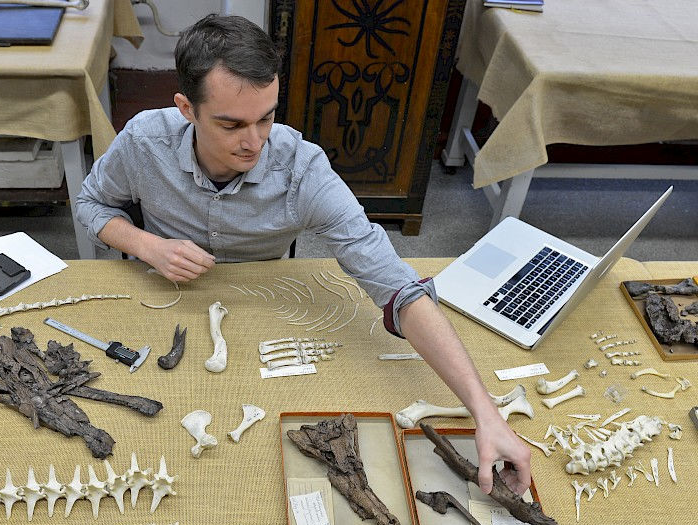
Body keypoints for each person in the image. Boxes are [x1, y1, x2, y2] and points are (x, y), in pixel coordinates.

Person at [74, 14, 530, 495]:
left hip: (271, 311)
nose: (254, 142)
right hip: (163, 301)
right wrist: (148, 245)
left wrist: (486, 414)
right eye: (231, 124)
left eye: (266, 117)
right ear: (186, 108)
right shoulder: (144, 140)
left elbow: (397, 287)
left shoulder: (302, 168)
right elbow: (90, 202)